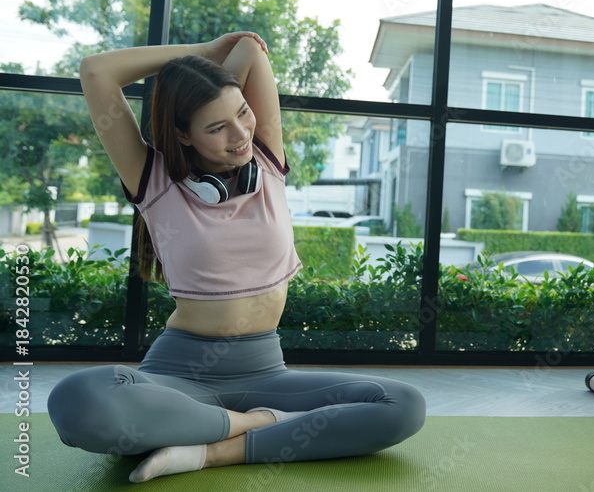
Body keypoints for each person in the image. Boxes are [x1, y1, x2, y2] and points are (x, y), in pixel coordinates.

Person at [47, 32, 425, 483]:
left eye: (242, 112)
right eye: (216, 127)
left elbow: (250, 48)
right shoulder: (155, 182)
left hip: (265, 373)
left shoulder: (266, 159)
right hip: (180, 376)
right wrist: (202, 52)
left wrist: (214, 67)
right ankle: (260, 424)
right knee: (79, 399)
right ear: (183, 135)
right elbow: (96, 70)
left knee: (403, 406)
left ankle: (209, 451)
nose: (241, 133)